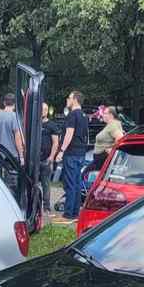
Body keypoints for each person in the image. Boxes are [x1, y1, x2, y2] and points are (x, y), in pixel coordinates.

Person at [55, 91, 90, 222]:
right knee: (76, 183)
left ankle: (68, 214)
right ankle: (75, 213)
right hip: (81, 153)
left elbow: (69, 134)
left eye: (69, 97)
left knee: (70, 183)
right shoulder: (84, 115)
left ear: (75, 100)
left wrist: (62, 151)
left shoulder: (72, 115)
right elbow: (86, 136)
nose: (67, 99)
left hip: (71, 153)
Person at [0, 93, 25, 163]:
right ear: (15, 104)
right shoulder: (15, 118)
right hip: (11, 156)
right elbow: (18, 138)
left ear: (4, 103)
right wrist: (21, 156)